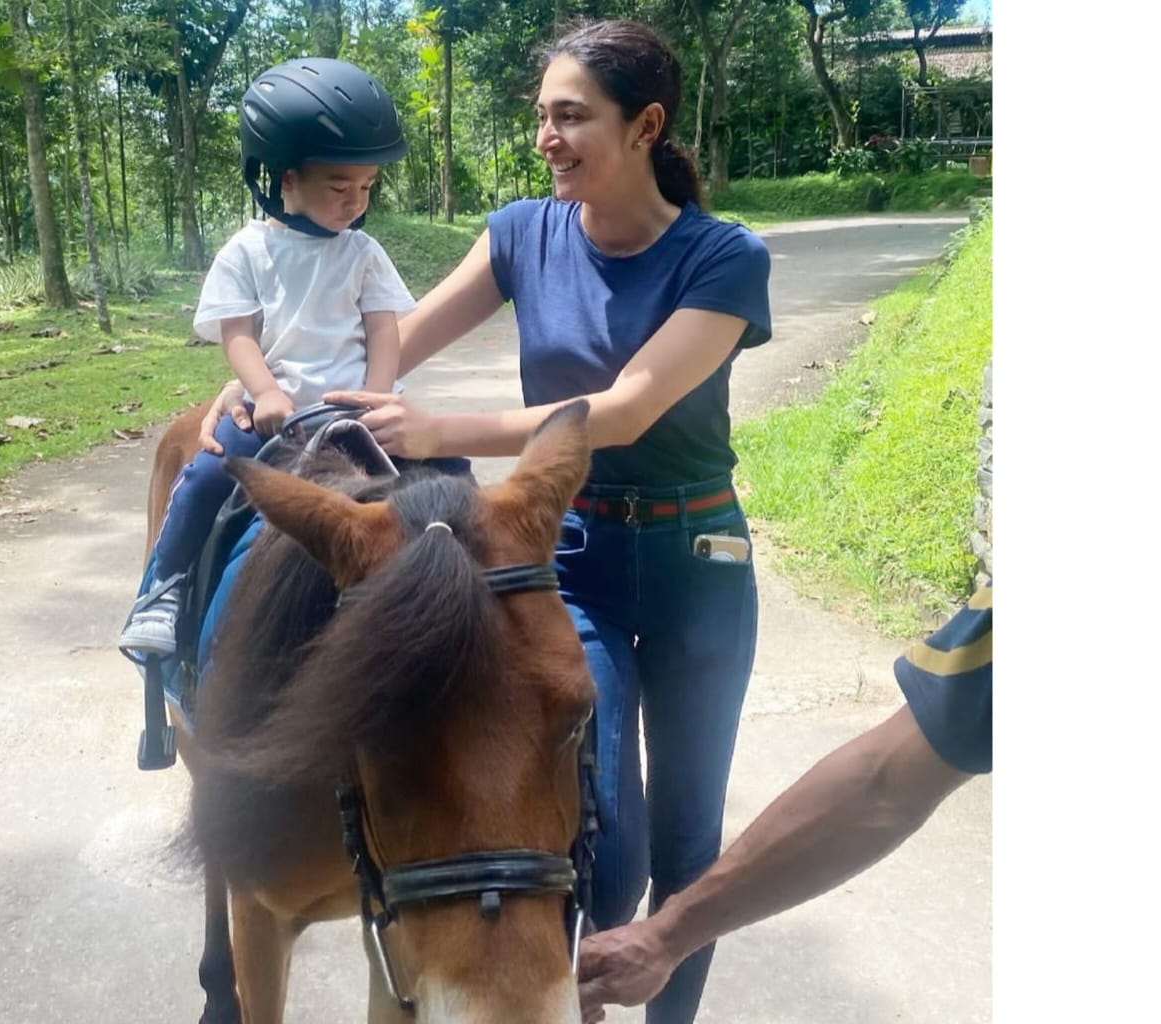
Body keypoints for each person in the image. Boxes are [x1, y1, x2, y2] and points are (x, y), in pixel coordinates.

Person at [215, 19, 771, 1023]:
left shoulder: (723, 257)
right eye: (543, 117)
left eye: (572, 116)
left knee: (690, 846)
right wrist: (273, 393)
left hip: (696, 560)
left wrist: (450, 426)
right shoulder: (523, 231)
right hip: (568, 555)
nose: (549, 137)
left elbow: (631, 405)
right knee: (601, 832)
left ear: (646, 126)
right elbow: (399, 341)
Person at [576, 583, 993, 1020]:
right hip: (590, 562)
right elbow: (884, 784)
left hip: (702, 562)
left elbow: (884, 784)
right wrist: (666, 937)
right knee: (613, 864)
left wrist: (667, 936)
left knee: (685, 851)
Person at [117, 58, 417, 657]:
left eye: (365, 188)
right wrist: (267, 391)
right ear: (283, 180)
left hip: (356, 414)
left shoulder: (363, 251)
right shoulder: (248, 250)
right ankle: (163, 590)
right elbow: (239, 335)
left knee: (448, 477)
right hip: (274, 412)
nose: (354, 203)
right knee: (205, 475)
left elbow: (383, 329)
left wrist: (379, 395)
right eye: (339, 188)